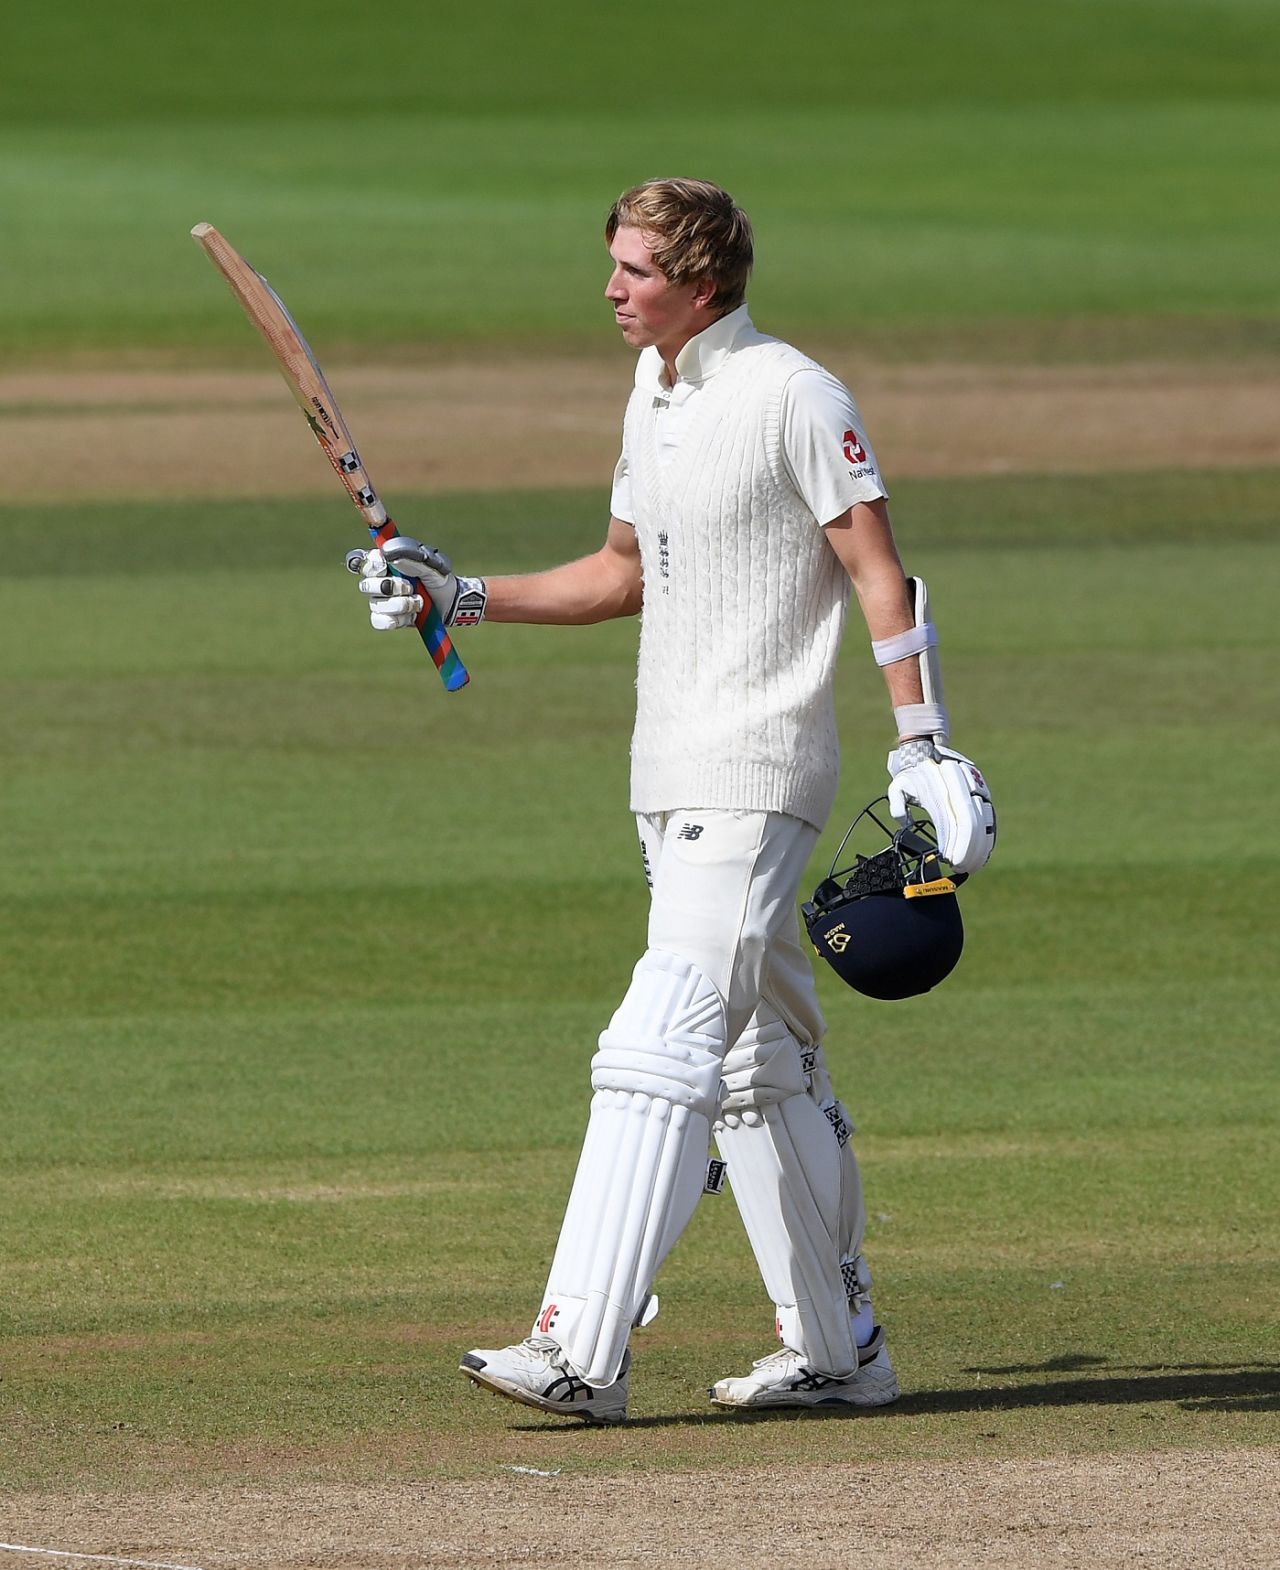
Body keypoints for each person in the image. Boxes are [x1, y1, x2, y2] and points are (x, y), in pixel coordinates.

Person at [348, 178, 994, 1424]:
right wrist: (455, 593)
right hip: (668, 769)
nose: (610, 289)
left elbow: (879, 568)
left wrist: (923, 743)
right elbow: (616, 574)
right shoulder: (654, 393)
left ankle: (578, 1348)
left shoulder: (791, 393)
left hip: (753, 768)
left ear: (702, 280)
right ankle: (837, 1350)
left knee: (659, 1041)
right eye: (613, 265)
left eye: (635, 270)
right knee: (759, 1064)